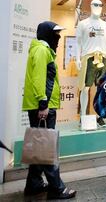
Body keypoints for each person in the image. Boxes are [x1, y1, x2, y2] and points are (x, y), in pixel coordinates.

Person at [22, 21, 76, 199]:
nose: (58, 37)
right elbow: (39, 78)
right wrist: (43, 104)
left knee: (40, 145)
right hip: (43, 107)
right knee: (47, 147)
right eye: (55, 33)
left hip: (43, 105)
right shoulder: (42, 50)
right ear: (46, 34)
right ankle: (57, 189)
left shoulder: (42, 50)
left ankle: (34, 184)